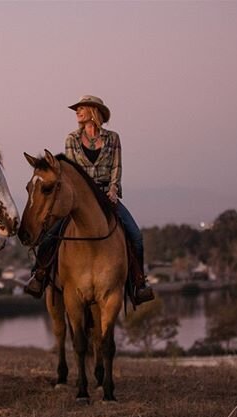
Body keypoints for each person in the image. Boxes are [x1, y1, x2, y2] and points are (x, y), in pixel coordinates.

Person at [24, 95, 154, 305]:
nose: (77, 112)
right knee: (50, 235)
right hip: (80, 198)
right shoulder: (71, 139)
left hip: (107, 195)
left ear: (94, 111)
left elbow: (117, 167)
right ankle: (39, 275)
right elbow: (70, 172)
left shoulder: (113, 138)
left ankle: (139, 283)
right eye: (77, 109)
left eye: (81, 108)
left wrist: (113, 188)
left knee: (136, 236)